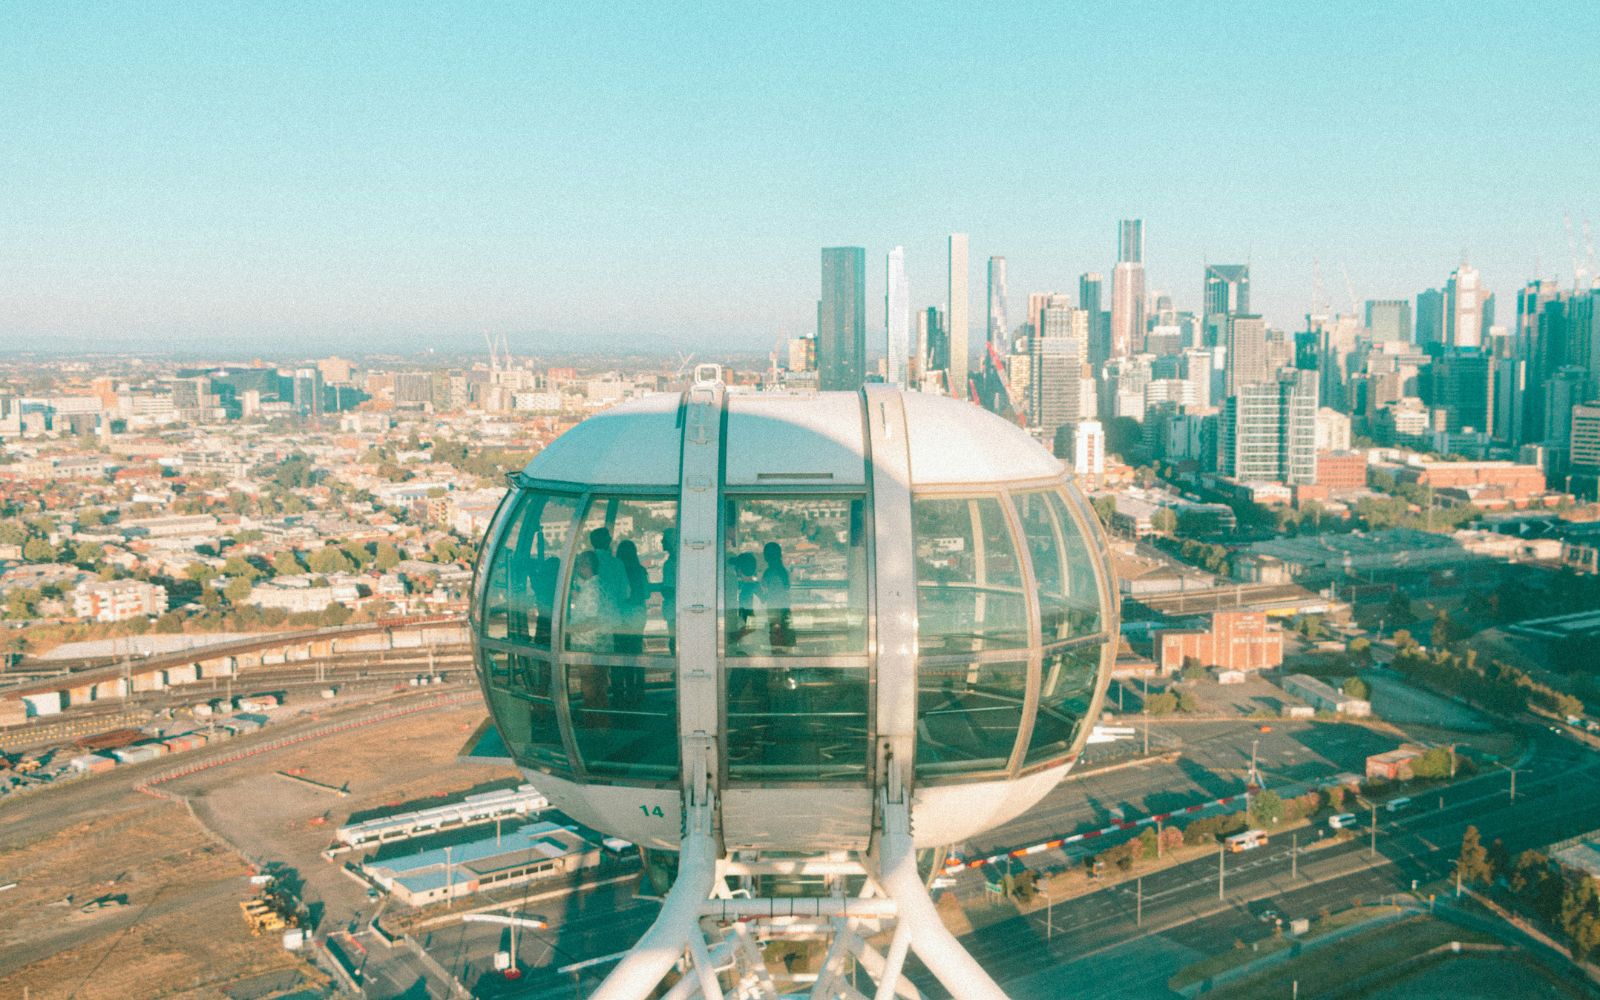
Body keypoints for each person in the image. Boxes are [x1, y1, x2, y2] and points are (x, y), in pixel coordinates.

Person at [761, 541, 793, 651]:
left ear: (766, 557)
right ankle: (784, 664)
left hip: (774, 609)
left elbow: (765, 590)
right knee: (785, 635)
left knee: (776, 638)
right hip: (785, 607)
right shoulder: (784, 571)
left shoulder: (769, 572)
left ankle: (777, 664)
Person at [658, 528, 678, 654]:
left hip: (673, 610)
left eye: (664, 540)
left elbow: (669, 591)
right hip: (674, 610)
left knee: (674, 642)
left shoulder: (670, 564)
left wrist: (663, 589)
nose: (661, 542)